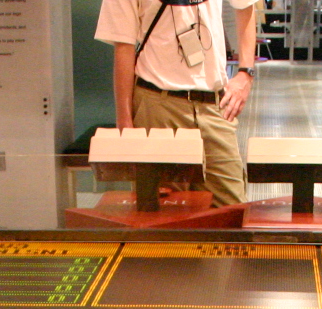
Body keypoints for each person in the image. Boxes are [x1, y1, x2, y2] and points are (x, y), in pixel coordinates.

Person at [97, 0, 259, 207]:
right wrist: (125, 122)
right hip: (157, 104)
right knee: (162, 210)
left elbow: (246, 5)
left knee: (231, 209)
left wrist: (246, 73)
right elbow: (123, 46)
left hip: (214, 106)